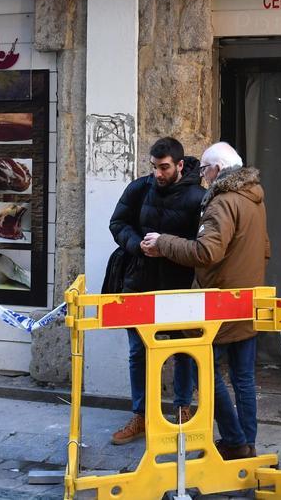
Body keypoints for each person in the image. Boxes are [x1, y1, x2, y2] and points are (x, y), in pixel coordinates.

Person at [141, 142, 269, 461]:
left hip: (222, 303)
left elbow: (206, 252)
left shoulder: (222, 202)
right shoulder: (255, 196)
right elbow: (265, 248)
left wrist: (164, 242)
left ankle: (234, 439)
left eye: (205, 170)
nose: (203, 177)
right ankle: (246, 445)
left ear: (217, 168)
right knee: (243, 378)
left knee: (204, 371)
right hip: (248, 298)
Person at [108, 137, 205, 445]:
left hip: (179, 286)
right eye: (154, 167)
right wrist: (138, 246)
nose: (158, 174)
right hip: (139, 281)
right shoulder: (140, 188)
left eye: (164, 168)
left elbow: (202, 245)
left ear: (179, 165)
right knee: (138, 351)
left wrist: (167, 248)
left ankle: (182, 410)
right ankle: (142, 415)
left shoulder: (198, 197)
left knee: (183, 351)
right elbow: (118, 223)